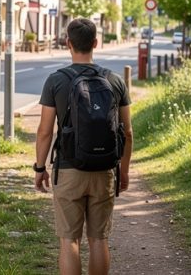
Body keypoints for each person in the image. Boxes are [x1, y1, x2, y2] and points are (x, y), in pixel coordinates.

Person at [34, 18, 132, 275]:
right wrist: (124, 171)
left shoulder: (55, 81)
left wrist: (39, 167)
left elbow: (44, 131)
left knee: (69, 240)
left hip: (68, 170)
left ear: (68, 44)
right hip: (104, 170)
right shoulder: (114, 80)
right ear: (95, 43)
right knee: (99, 239)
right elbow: (128, 132)